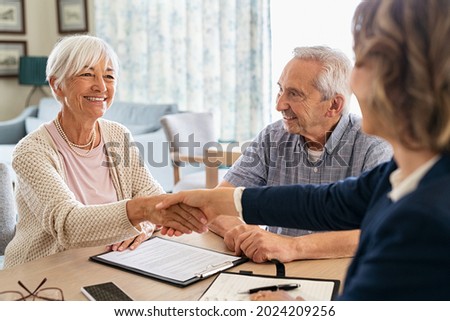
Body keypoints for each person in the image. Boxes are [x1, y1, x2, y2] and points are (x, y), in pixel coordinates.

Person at [157, 0, 450, 300]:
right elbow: (323, 203)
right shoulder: (401, 176)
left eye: (363, 61)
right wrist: (216, 201)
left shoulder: (424, 221)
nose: (354, 80)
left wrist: (291, 305)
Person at [3, 35, 205, 269]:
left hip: (107, 262)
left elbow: (154, 199)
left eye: (109, 76)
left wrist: (143, 224)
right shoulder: (31, 152)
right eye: (87, 74)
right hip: (41, 272)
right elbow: (68, 225)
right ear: (56, 85)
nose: (101, 86)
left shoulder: (118, 135)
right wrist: (141, 212)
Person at [213, 46, 392, 263]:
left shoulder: (374, 143)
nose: (279, 104)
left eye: (294, 94)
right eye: (280, 90)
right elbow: (218, 202)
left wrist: (293, 247)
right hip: (273, 271)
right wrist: (245, 234)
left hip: (339, 274)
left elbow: (382, 228)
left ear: (334, 105)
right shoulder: (272, 136)